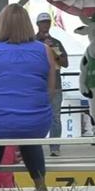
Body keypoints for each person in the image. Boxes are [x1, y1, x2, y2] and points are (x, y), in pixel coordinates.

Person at [0, 4, 56, 191]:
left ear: (2, 25)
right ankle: (41, 187)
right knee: (28, 135)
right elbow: (51, 91)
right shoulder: (45, 51)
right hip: (36, 121)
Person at [36, 12, 68, 156]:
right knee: (35, 116)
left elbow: (65, 63)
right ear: (37, 25)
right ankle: (34, 147)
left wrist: (53, 52)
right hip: (37, 86)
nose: (46, 25)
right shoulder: (31, 42)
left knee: (55, 117)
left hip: (55, 85)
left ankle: (55, 147)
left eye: (48, 22)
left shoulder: (56, 42)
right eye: (43, 22)